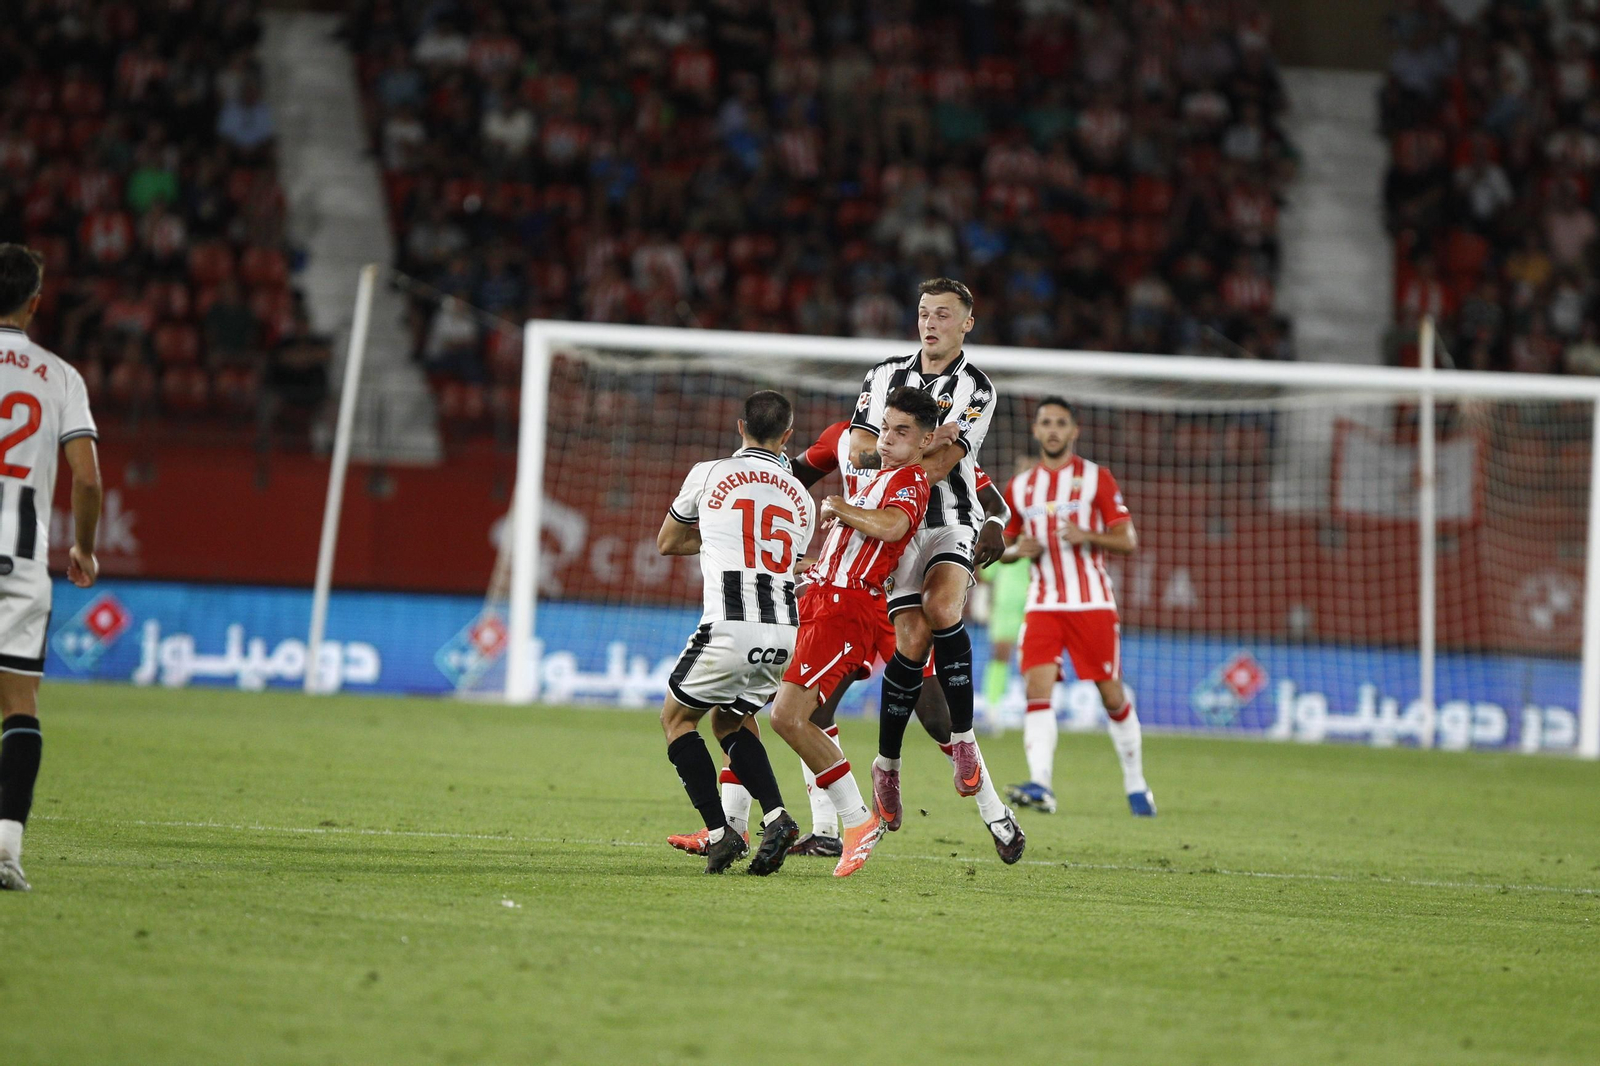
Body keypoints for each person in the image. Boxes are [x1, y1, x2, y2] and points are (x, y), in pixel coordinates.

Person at [666, 421, 1016, 861]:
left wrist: (991, 518)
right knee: (764, 707)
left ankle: (994, 811)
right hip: (835, 590)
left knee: (933, 714)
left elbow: (986, 497)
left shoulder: (921, 451)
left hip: (894, 591)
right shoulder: (841, 437)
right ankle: (790, 827)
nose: (885, 432)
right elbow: (789, 474)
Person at [847, 278, 1023, 861]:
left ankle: (965, 741)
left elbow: (945, 464)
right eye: (924, 312)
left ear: (967, 323)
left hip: (949, 522)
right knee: (911, 646)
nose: (931, 322)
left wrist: (905, 449)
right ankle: (886, 766)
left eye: (944, 314)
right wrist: (918, 442)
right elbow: (858, 449)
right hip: (894, 526)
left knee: (942, 608)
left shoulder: (977, 388)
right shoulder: (881, 375)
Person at [767, 387, 939, 878]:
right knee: (791, 713)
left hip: (846, 608)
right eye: (884, 428)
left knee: (787, 717)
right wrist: (812, 566)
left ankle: (857, 821)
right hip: (822, 597)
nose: (887, 438)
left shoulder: (911, 481)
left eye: (902, 431)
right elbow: (852, 547)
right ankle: (744, 824)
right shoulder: (877, 478)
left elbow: (892, 527)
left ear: (925, 441)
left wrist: (841, 508)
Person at [655, 390, 816, 874]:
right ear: (788, 436)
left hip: (730, 623)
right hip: (784, 631)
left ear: (740, 426)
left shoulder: (709, 473)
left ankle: (720, 833)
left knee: (677, 721)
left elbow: (668, 542)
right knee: (731, 721)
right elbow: (789, 560)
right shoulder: (801, 497)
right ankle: (778, 816)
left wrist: (717, 535)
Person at [0, 244, 103, 891]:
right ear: (35, 303)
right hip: (20, 562)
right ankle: (5, 850)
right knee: (20, 704)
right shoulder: (60, 376)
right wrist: (84, 548)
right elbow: (87, 480)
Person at [1001, 397, 1154, 817]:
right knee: (1036, 689)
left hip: (1092, 604)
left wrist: (1088, 535)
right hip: (1043, 605)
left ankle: (1136, 783)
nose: (1052, 430)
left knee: (1111, 695)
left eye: (1060, 423)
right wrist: (1016, 550)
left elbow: (1128, 540)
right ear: (1035, 430)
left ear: (1074, 431)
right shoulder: (1020, 487)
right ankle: (1041, 784)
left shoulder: (1096, 478)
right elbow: (1000, 549)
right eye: (1046, 422)